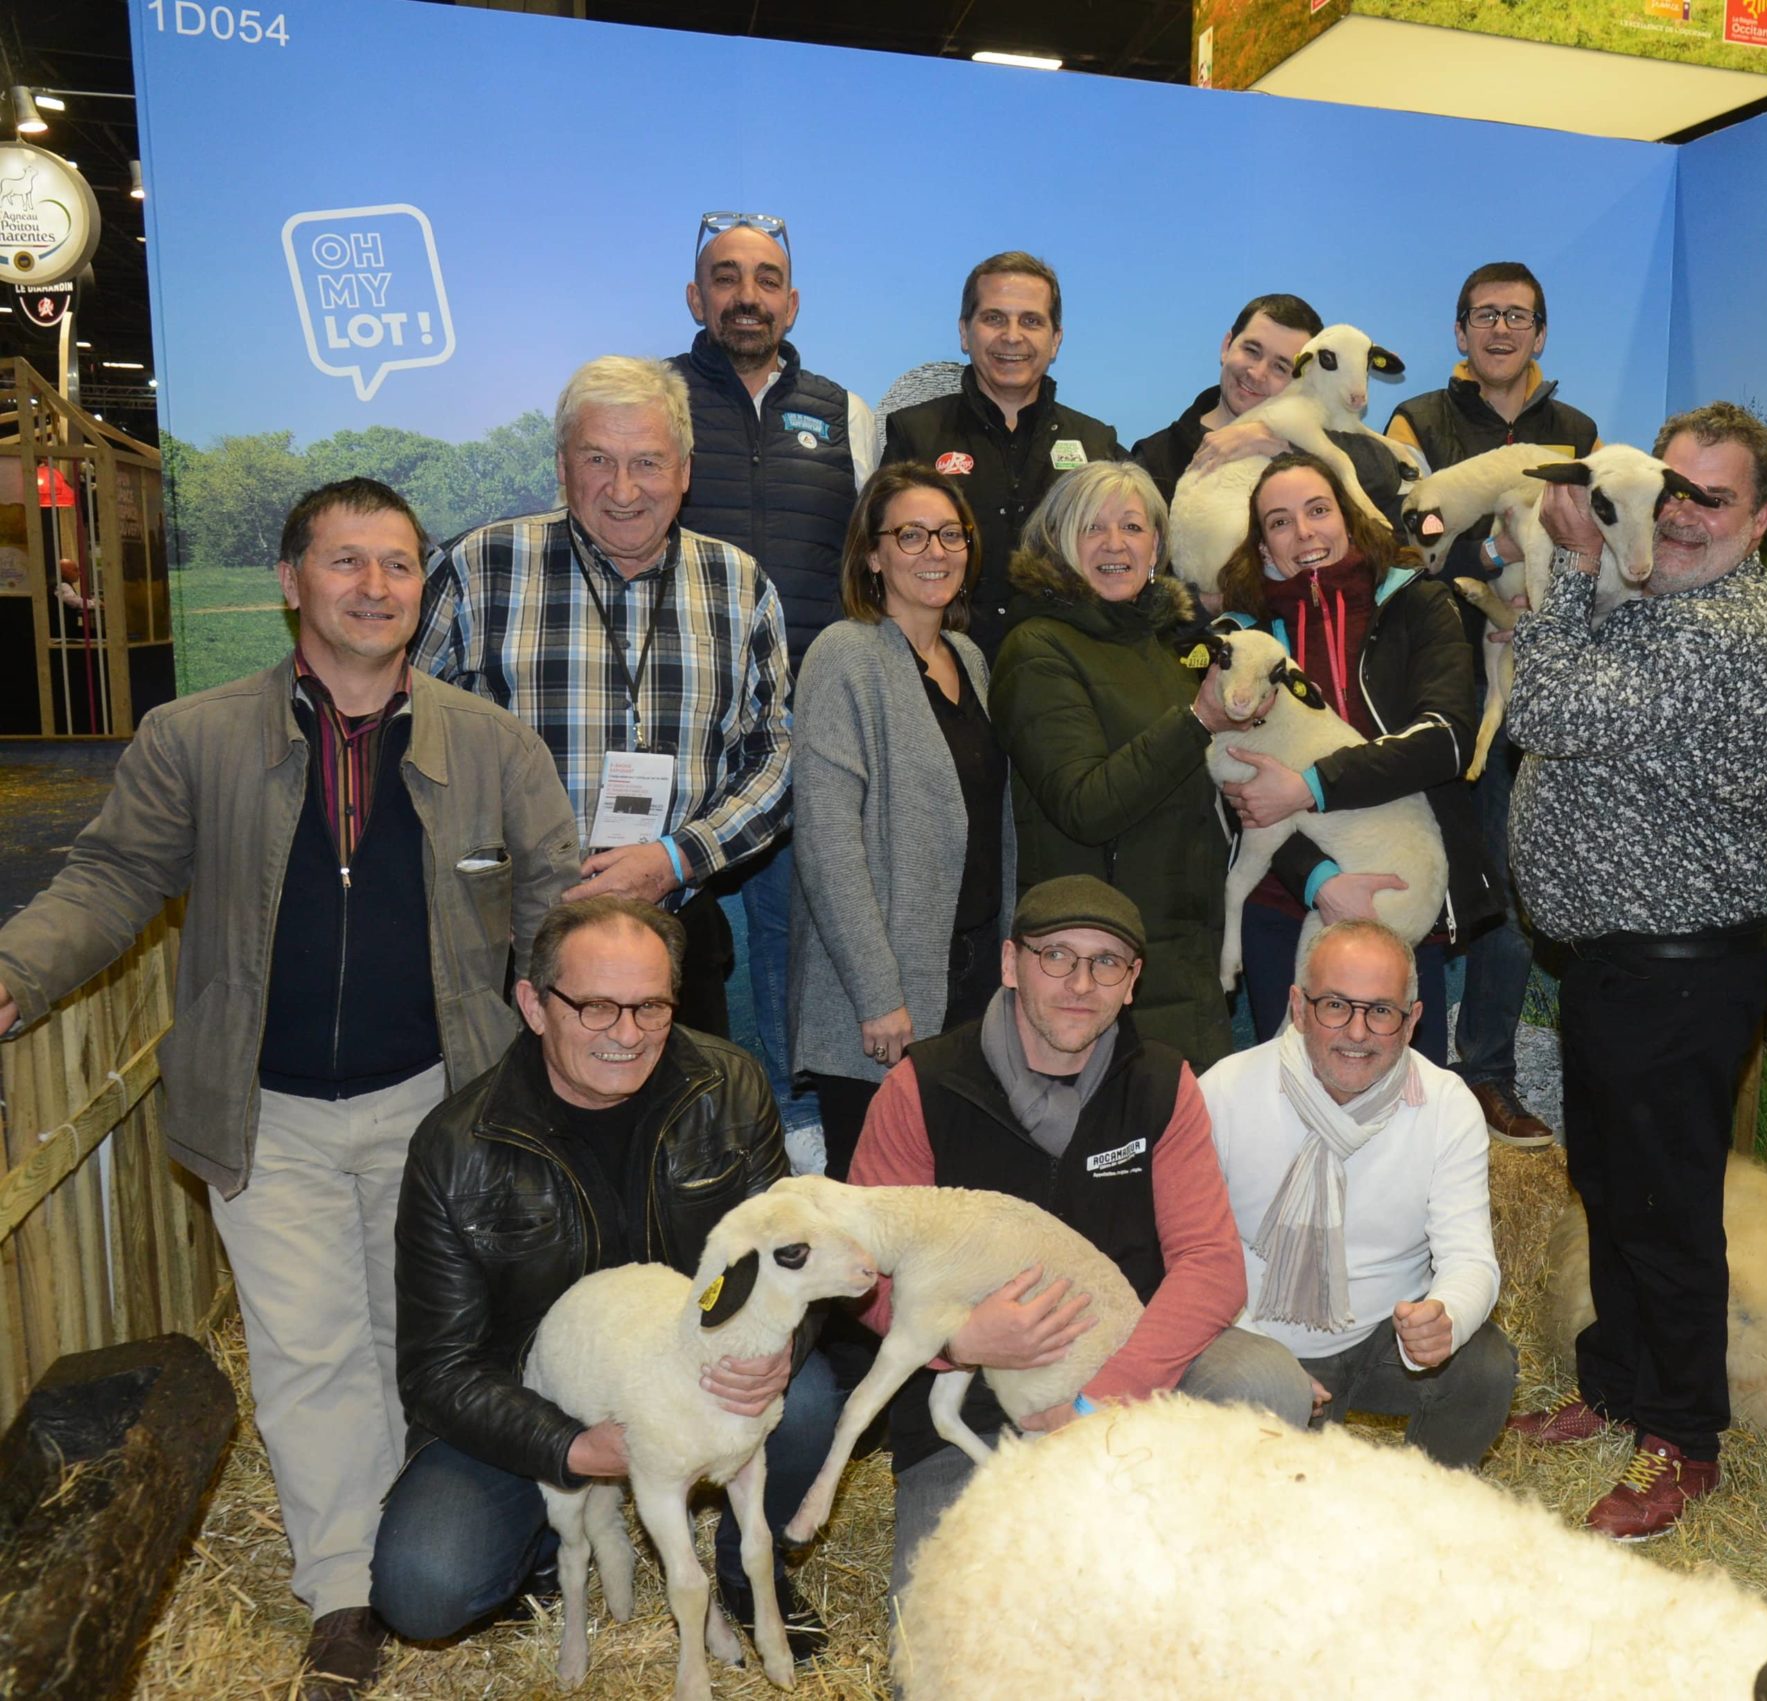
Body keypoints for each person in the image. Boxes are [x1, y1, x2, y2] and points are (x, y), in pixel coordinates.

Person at [0, 479, 580, 1700]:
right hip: (264, 1112)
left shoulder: (493, 745)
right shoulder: (193, 738)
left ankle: (459, 1546)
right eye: (347, 562)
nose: (376, 587)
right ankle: (345, 1593)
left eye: (400, 565)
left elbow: (554, 916)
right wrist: (14, 975)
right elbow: (108, 882)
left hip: (440, 1103)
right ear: (289, 579)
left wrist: (588, 1036)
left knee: (421, 1341)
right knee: (308, 1353)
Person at [372, 897, 843, 1662]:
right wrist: (572, 1446)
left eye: (650, 1005)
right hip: (536, 1398)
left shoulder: (729, 1085)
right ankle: (547, 1545)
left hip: (688, 1371)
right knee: (426, 1585)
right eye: (595, 1006)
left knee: (812, 1393)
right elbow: (436, 1370)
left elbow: (790, 1251)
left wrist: (785, 1345)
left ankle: (737, 1570)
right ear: (533, 1003)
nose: (627, 1033)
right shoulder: (457, 1146)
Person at [1501, 403, 1767, 1542]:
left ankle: (1683, 1441)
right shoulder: (1664, 604)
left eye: (1712, 499)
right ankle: (1617, 1389)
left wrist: (1575, 565)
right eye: (1670, 490)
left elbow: (1542, 707)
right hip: (1619, 968)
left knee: (1665, 1213)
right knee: (1615, 1194)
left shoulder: (1722, 630)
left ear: (1760, 520)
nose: (1681, 516)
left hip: (1676, 977)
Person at [843, 875, 1311, 1595]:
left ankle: (1205, 1562)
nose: (1080, 982)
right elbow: (860, 1273)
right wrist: (958, 1340)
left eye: (1107, 962)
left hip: (1129, 1377)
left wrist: (1099, 1401)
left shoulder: (1158, 1082)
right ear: (1010, 962)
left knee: (1262, 1377)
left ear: (1132, 983)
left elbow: (1213, 1264)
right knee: (939, 1656)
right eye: (1056, 955)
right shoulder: (924, 1088)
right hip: (972, 1405)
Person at [413, 355, 794, 1040]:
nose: (623, 490)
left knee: (677, 1142)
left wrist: (677, 859)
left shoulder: (740, 586)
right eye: (598, 460)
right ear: (562, 466)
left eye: (648, 462)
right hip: (512, 947)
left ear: (685, 469)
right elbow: (407, 741)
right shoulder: (480, 567)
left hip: (677, 934)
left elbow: (775, 759)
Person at [671, 209, 878, 1149]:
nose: (745, 295)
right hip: (674, 726)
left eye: (764, 279)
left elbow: (874, 559)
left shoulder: (844, 413)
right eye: (725, 275)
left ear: (792, 302)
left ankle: (796, 1125)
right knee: (670, 941)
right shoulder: (655, 401)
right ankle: (681, 1128)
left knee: (793, 931)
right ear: (694, 296)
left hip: (799, 733)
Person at [1386, 262, 1600, 1152]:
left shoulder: (1576, 432)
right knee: (1425, 881)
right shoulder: (1418, 422)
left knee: (1515, 894)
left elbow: (1589, 543)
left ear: (1542, 333)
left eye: (1518, 316)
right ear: (1460, 332)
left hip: (1536, 693)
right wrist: (1482, 563)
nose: (1501, 329)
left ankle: (1486, 1081)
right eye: (1484, 315)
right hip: (1432, 679)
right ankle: (1411, 1081)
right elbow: (1401, 527)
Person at [1212, 450, 1497, 1064]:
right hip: (1283, 907)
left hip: (1397, 893)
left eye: (1318, 510)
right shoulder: (1239, 642)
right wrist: (1322, 882)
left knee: (1406, 1111)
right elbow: (1244, 793)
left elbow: (1446, 739)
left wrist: (1311, 784)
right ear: (1261, 546)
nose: (1305, 532)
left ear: (1348, 517)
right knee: (1292, 1104)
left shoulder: (1420, 604)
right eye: (1280, 522)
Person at [1200, 919, 1515, 1467]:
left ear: (1412, 1020)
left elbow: (1470, 1259)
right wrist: (1263, 1358)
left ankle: (1427, 1511)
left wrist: (1445, 1318)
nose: (1357, 1031)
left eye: (1381, 1011)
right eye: (1335, 1006)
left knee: (1485, 1366)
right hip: (1251, 1336)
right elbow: (1189, 1259)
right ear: (1298, 1008)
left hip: (1380, 1338)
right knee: (1287, 1511)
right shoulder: (1225, 1091)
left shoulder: (1445, 1105)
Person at [792, 463, 1010, 1176]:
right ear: (872, 554)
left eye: (951, 534)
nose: (935, 551)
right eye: (910, 535)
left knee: (951, 1216)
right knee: (873, 1226)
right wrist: (879, 994)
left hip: (971, 981)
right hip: (881, 999)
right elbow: (828, 844)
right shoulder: (845, 655)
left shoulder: (970, 659)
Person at [990, 461, 1242, 1070]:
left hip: (1185, 947)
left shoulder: (1167, 643)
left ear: (1156, 544)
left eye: (1132, 526)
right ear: (1059, 543)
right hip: (1093, 961)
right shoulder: (1037, 647)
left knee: (1186, 1150)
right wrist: (1198, 721)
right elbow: (1086, 804)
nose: (1114, 544)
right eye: (1092, 528)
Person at [882, 252, 1123, 652]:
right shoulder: (915, 434)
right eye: (994, 318)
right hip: (943, 671)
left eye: (1031, 321)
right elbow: (883, 561)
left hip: (1064, 672)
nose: (1012, 336)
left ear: (1056, 339)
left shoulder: (1097, 444)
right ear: (964, 332)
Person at [1129, 291, 1411, 521]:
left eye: (1280, 366)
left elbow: (1386, 477)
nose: (1258, 373)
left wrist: (1277, 441)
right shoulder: (1158, 457)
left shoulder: (1326, 437)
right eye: (1252, 351)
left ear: (1306, 373)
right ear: (1227, 345)